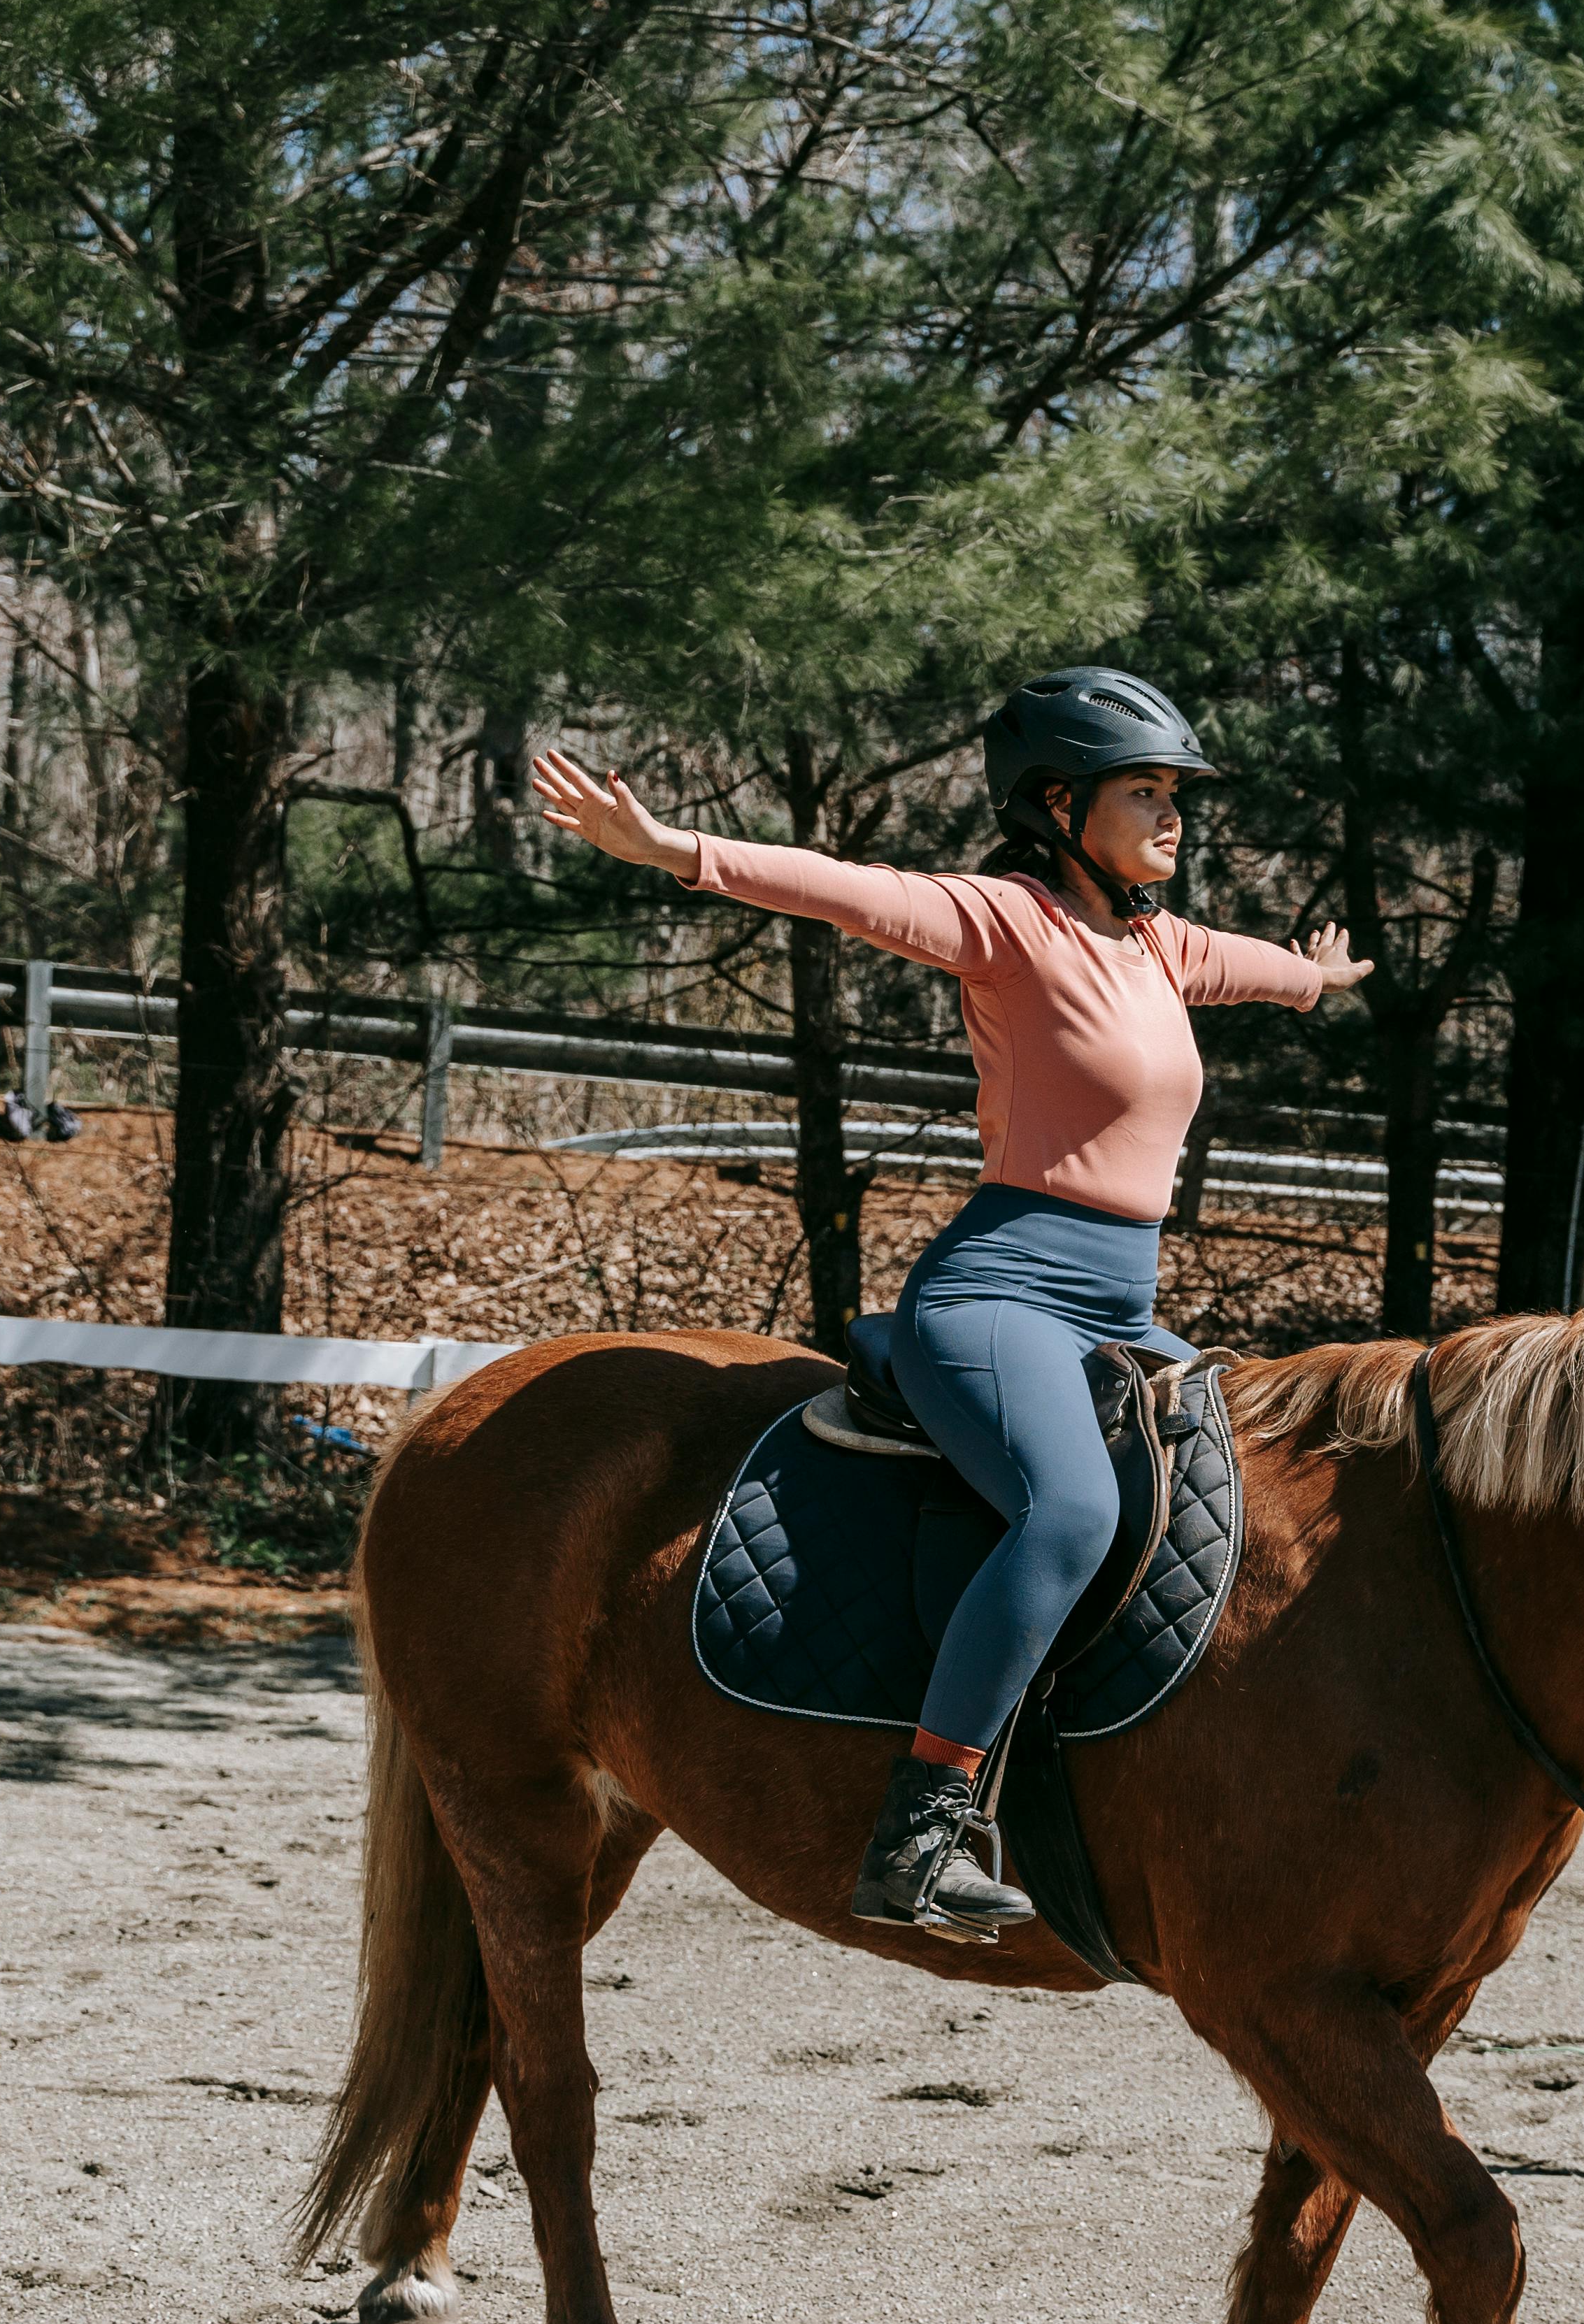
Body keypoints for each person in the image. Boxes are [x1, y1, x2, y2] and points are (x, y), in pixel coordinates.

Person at [532, 670, 1369, 1939]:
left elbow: (1250, 970)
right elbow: (840, 888)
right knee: (1071, 1508)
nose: (1174, 814)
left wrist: (1312, 981)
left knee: (1251, 1487)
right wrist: (673, 850)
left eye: (1177, 792)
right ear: (1058, 802)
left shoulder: (1157, 944)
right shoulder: (1006, 921)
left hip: (1122, 1307)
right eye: (1145, 790)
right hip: (1002, 1296)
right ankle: (924, 1823)